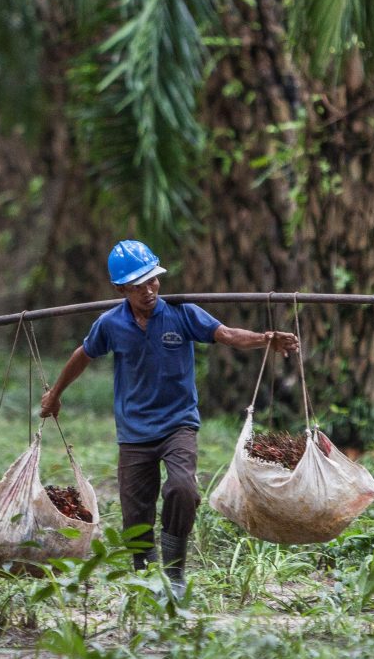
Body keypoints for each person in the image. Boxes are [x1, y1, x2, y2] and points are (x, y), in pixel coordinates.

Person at [39, 240, 298, 597]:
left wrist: (266, 339)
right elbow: (82, 354)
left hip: (178, 424)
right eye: (138, 285)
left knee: (183, 489)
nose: (149, 290)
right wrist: (55, 394)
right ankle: (146, 579)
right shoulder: (110, 324)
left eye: (153, 281)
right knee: (135, 512)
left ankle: (174, 574)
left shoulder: (183, 314)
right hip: (133, 431)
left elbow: (227, 335)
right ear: (120, 289)